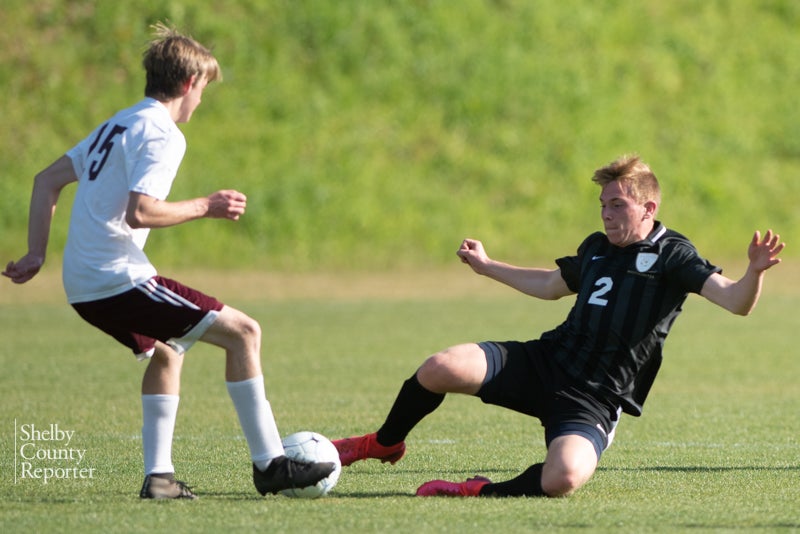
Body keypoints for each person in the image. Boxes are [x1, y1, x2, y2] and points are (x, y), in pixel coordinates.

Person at [2, 23, 334, 500]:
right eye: (203, 89)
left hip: (80, 282)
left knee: (167, 349)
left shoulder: (119, 122)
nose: (201, 100)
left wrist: (37, 253)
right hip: (115, 277)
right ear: (187, 84)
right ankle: (271, 466)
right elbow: (142, 211)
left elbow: (45, 179)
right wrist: (208, 206)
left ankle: (159, 479)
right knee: (245, 332)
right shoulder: (162, 132)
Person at [333, 155, 785, 498]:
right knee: (440, 367)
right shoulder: (596, 247)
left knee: (563, 478)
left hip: (596, 396)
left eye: (618, 205)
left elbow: (734, 301)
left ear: (648, 207)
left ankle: (481, 490)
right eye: (603, 205)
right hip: (546, 360)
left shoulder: (674, 255)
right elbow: (552, 285)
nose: (607, 214)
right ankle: (383, 443)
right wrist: (489, 266)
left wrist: (755, 273)